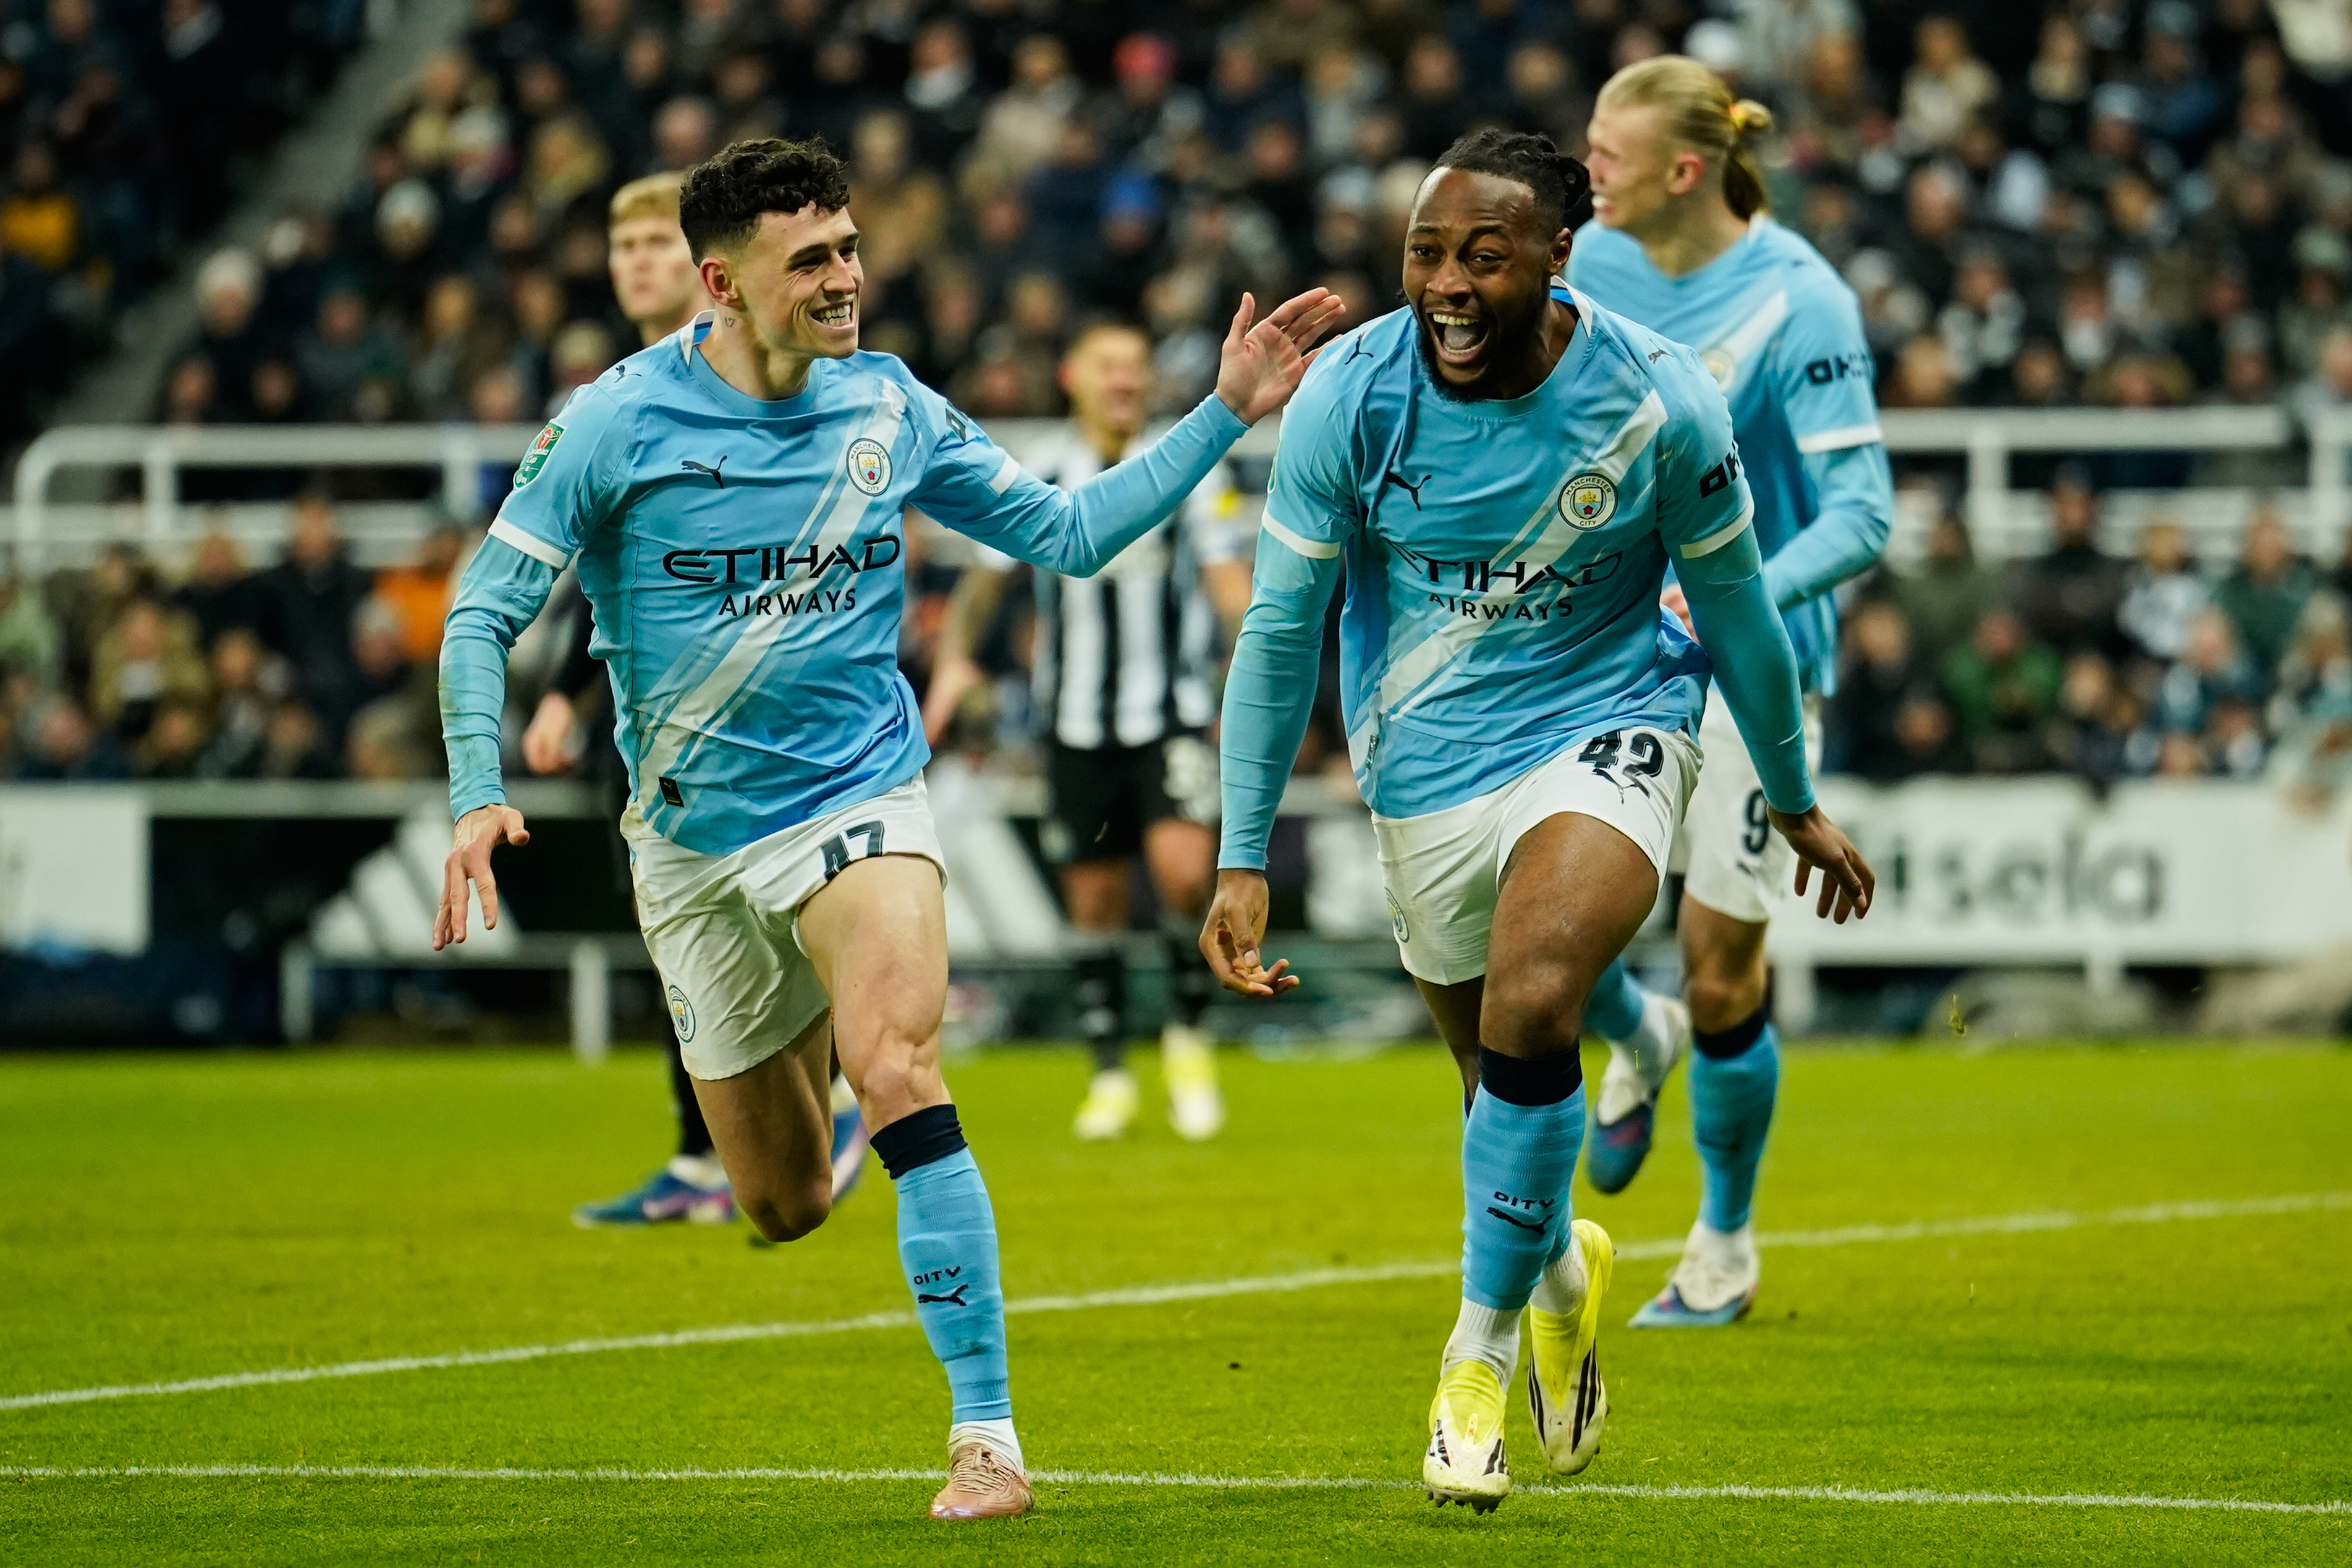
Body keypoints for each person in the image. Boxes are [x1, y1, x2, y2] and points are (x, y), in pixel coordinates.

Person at [434, 137, 1340, 1522]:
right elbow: (481, 613)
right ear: (723, 282)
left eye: (851, 248)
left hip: (857, 795)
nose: (848, 279)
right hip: (684, 844)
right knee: (781, 1204)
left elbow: (1076, 530)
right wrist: (473, 786)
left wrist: (1223, 412)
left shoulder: (893, 409)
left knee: (904, 1064)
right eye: (814, 260)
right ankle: (833, 1109)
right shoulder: (612, 423)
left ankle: (988, 1440)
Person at [1197, 127, 1871, 1512]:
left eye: (1481, 257)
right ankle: (1561, 1278)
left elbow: (1738, 606)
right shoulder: (1351, 400)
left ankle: (1473, 1361)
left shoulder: (1659, 401)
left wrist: (1792, 798)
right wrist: (1242, 848)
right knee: (1499, 1087)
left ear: (1561, 256)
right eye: (1424, 254)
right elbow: (1278, 633)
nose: (1444, 285)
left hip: (1610, 727)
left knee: (1539, 991)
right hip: (1423, 770)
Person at [1562, 56, 1895, 1327]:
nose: (1587, 168)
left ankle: (1723, 1246)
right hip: (1597, 647)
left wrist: (1730, 591)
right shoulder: (1585, 263)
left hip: (1751, 669)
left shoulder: (1803, 303)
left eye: (1606, 149)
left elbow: (1862, 513)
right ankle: (1632, 1041)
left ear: (1683, 171)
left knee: (1721, 977)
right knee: (1525, 920)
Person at [517, 171, 872, 1229]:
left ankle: (829, 1100)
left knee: (757, 911)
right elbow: (620, 570)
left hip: (757, 712)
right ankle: (709, 1146)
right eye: (618, 246)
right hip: (652, 706)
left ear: (703, 266)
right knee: (682, 924)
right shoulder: (617, 395)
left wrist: (561, 692)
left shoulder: (750, 372)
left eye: (651, 245)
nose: (634, 263)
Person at [923, 321, 1249, 1142]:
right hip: (1074, 725)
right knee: (1095, 899)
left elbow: (1225, 582)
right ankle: (1108, 1069)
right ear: (1072, 374)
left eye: (1136, 368)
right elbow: (986, 582)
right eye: (1108, 365)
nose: (1124, 382)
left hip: (1168, 715)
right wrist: (957, 658)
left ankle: (1185, 1036)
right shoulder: (1041, 473)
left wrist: (1258, 657)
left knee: (1182, 875)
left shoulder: (1188, 471)